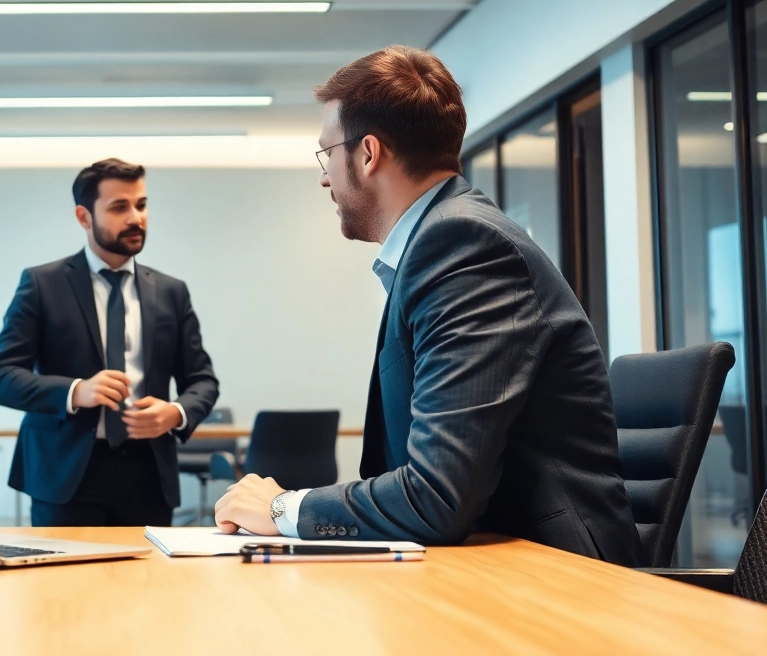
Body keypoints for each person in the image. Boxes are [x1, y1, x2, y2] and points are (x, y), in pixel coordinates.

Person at [214, 46, 641, 565]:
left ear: (369, 154)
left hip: (555, 579)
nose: (323, 178)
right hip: (493, 558)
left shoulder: (463, 246)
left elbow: (436, 496)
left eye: (328, 156)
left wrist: (284, 509)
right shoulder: (439, 243)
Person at [0, 158, 219, 527]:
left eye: (141, 205)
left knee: (146, 585)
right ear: (84, 217)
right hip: (65, 475)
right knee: (64, 587)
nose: (135, 218)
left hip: (149, 473)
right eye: (119, 207)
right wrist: (76, 391)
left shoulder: (171, 292)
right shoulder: (42, 285)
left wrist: (175, 413)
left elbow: (203, 381)